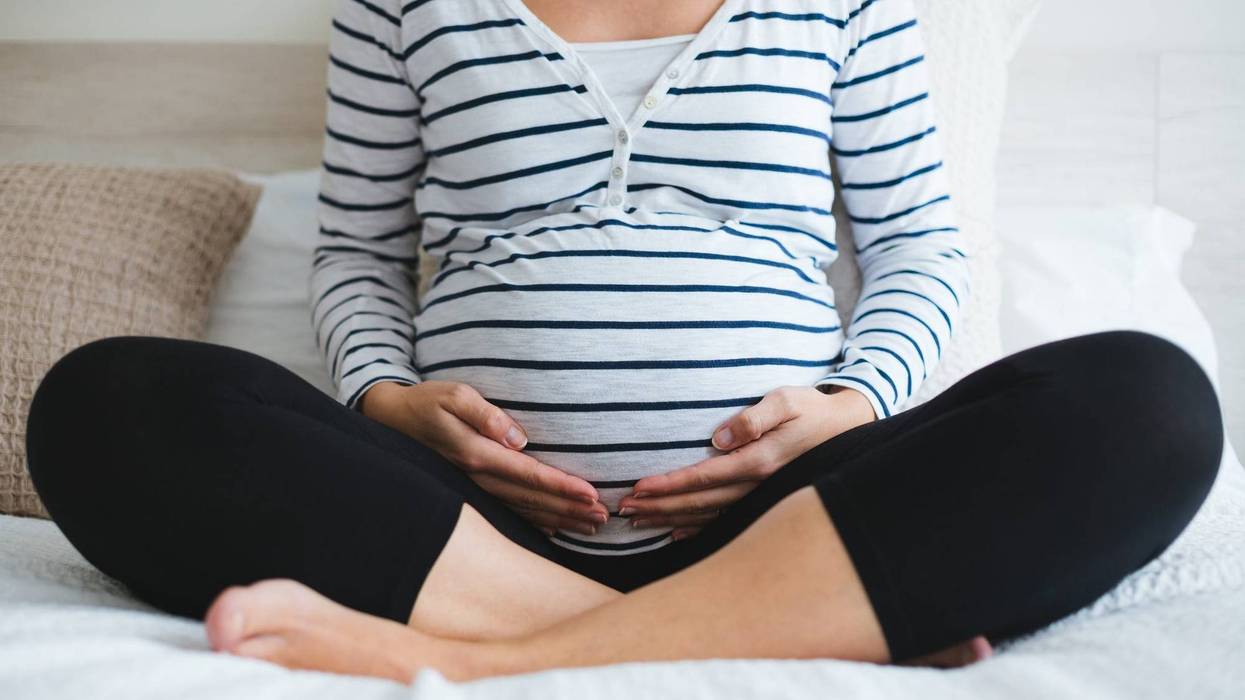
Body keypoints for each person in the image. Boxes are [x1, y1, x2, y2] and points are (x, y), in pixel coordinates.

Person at [25, 0, 1224, 684]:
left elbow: (919, 247)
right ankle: (764, 627)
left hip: (791, 513)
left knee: (1152, 401)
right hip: (462, 523)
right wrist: (385, 394)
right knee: (101, 400)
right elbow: (356, 255)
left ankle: (488, 661)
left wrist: (855, 402)